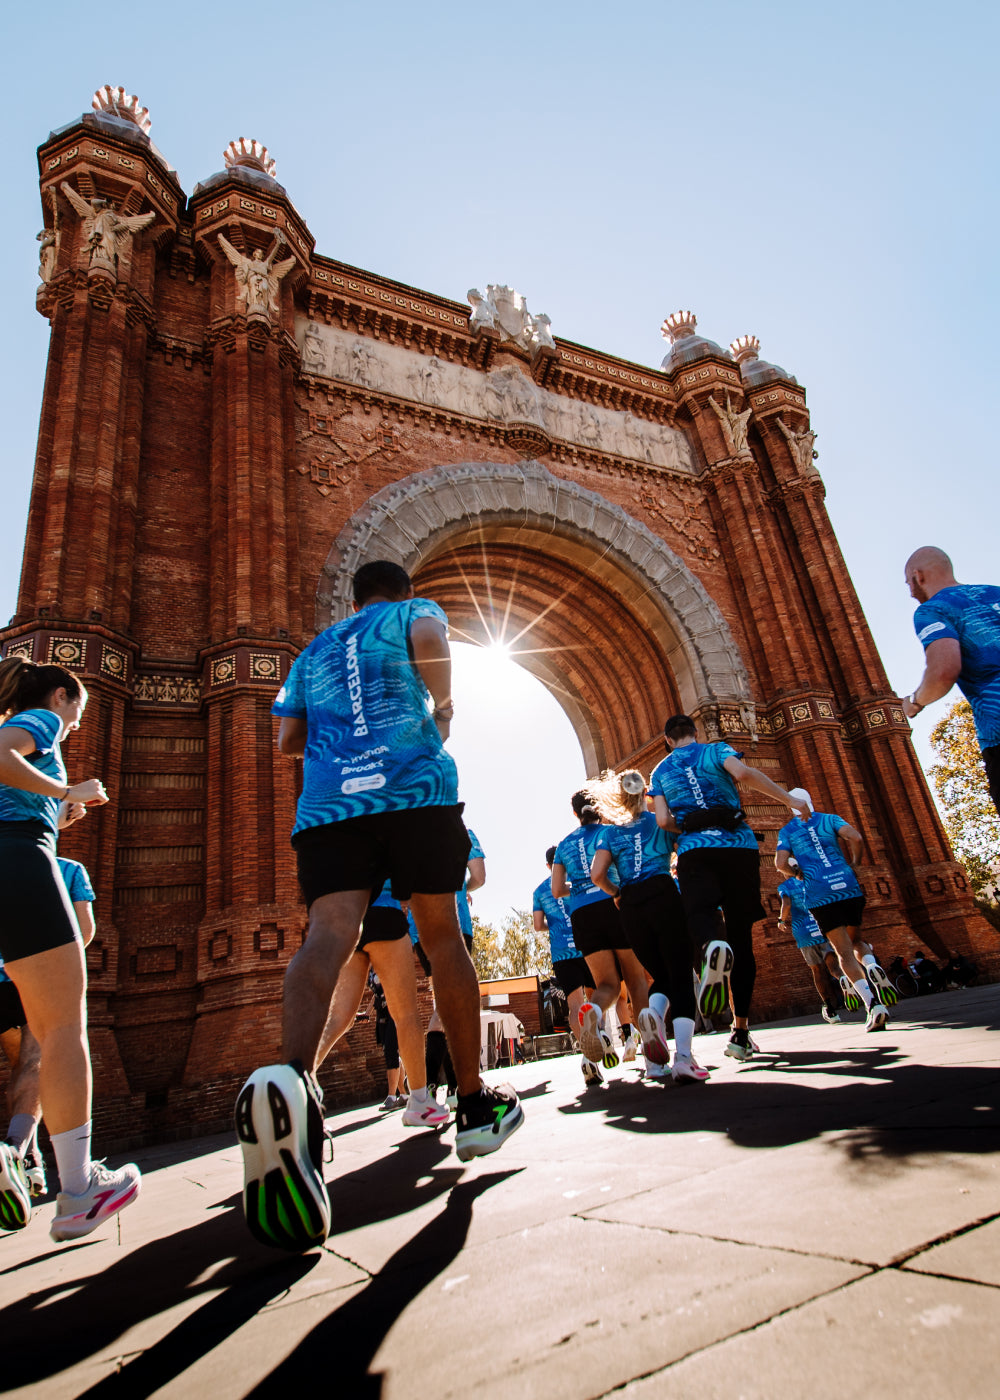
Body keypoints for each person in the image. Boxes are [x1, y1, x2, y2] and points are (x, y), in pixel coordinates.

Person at [238, 560, 522, 1252]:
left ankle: (293, 1085)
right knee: (443, 937)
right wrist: (442, 706)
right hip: (415, 790)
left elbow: (286, 739)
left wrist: (342, 738)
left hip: (331, 807)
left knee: (326, 937)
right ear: (397, 590)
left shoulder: (313, 651)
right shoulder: (411, 613)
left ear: (352, 595)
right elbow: (433, 641)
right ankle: (476, 1102)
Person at [0, 658, 140, 1241]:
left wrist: (59, 813)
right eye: (78, 710)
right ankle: (79, 1190)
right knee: (62, 1027)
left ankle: (24, 1159)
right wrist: (66, 787)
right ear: (63, 695)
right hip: (19, 858)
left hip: (16, 851)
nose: (79, 724)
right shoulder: (42, 718)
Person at [650, 714, 809, 1062]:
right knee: (742, 938)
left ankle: (710, 946)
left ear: (667, 740)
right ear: (695, 733)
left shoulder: (659, 772)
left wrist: (692, 825)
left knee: (701, 915)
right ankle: (741, 1032)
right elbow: (744, 775)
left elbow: (662, 820)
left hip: (695, 850)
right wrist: (789, 800)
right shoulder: (717, 750)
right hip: (739, 846)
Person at [589, 770, 709, 1084]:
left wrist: (617, 894)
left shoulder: (610, 833)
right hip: (662, 893)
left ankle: (652, 1020)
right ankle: (684, 1057)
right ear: (645, 794)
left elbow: (597, 874)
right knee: (680, 975)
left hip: (630, 905)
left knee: (661, 976)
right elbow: (687, 845)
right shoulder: (659, 821)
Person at [0, 854, 97, 1207]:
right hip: (28, 979)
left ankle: (31, 1161)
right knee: (36, 1063)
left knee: (20, 1068)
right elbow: (84, 932)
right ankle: (15, 1152)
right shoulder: (68, 869)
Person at [314, 892, 448, 1128]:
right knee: (406, 1013)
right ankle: (419, 1101)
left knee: (339, 1017)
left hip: (348, 915)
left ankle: (294, 1081)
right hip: (384, 912)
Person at [552, 792, 653, 1076]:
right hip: (615, 903)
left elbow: (557, 890)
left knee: (606, 985)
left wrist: (582, 888)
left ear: (574, 814)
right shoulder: (611, 832)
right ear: (599, 807)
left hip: (582, 915)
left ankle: (594, 1014)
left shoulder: (564, 845)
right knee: (635, 981)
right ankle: (652, 1051)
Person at [775, 789, 892, 1032]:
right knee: (857, 941)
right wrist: (855, 864)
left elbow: (779, 864)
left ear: (791, 807)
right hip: (848, 888)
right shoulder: (830, 819)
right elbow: (856, 838)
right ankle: (871, 964)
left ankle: (873, 1005)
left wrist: (796, 873)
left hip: (821, 895)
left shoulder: (788, 830)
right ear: (811, 801)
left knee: (844, 954)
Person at [902, 547, 1000, 816]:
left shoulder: (934, 609)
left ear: (918, 576)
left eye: (909, 583)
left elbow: (943, 670)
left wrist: (914, 702)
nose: (911, 592)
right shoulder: (995, 592)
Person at [532, 846, 598, 1086]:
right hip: (585, 946)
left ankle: (588, 1057)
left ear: (547, 866)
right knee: (596, 997)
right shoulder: (574, 883)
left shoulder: (539, 891)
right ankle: (601, 1036)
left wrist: (557, 926)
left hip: (562, 953)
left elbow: (538, 925)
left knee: (574, 1006)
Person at [776, 859, 842, 1024]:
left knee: (817, 971)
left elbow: (787, 904)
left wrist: (781, 920)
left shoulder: (785, 886)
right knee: (833, 965)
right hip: (822, 925)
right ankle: (846, 982)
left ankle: (829, 1008)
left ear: (786, 870)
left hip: (803, 931)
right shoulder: (812, 879)